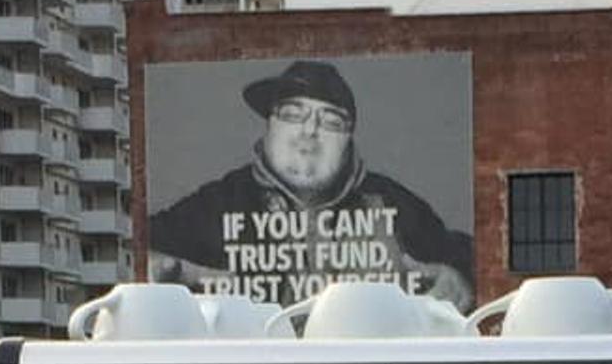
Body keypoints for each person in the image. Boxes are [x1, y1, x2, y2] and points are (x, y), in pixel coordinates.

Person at [144, 60, 477, 311]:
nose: (309, 131)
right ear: (269, 126)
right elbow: (141, 250)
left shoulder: (389, 202)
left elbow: (471, 257)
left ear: (348, 141)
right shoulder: (221, 202)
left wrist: (459, 278)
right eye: (292, 114)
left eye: (331, 121)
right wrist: (160, 268)